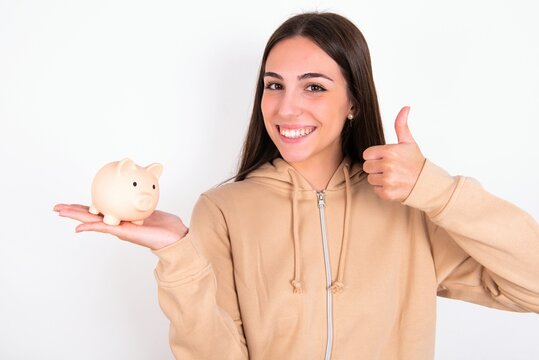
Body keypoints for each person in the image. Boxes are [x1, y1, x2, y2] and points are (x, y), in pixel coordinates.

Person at [54, 11, 539, 360]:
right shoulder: (223, 210)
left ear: (354, 100)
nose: (286, 109)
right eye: (273, 85)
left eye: (314, 86)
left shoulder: (411, 209)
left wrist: (436, 190)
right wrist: (178, 254)